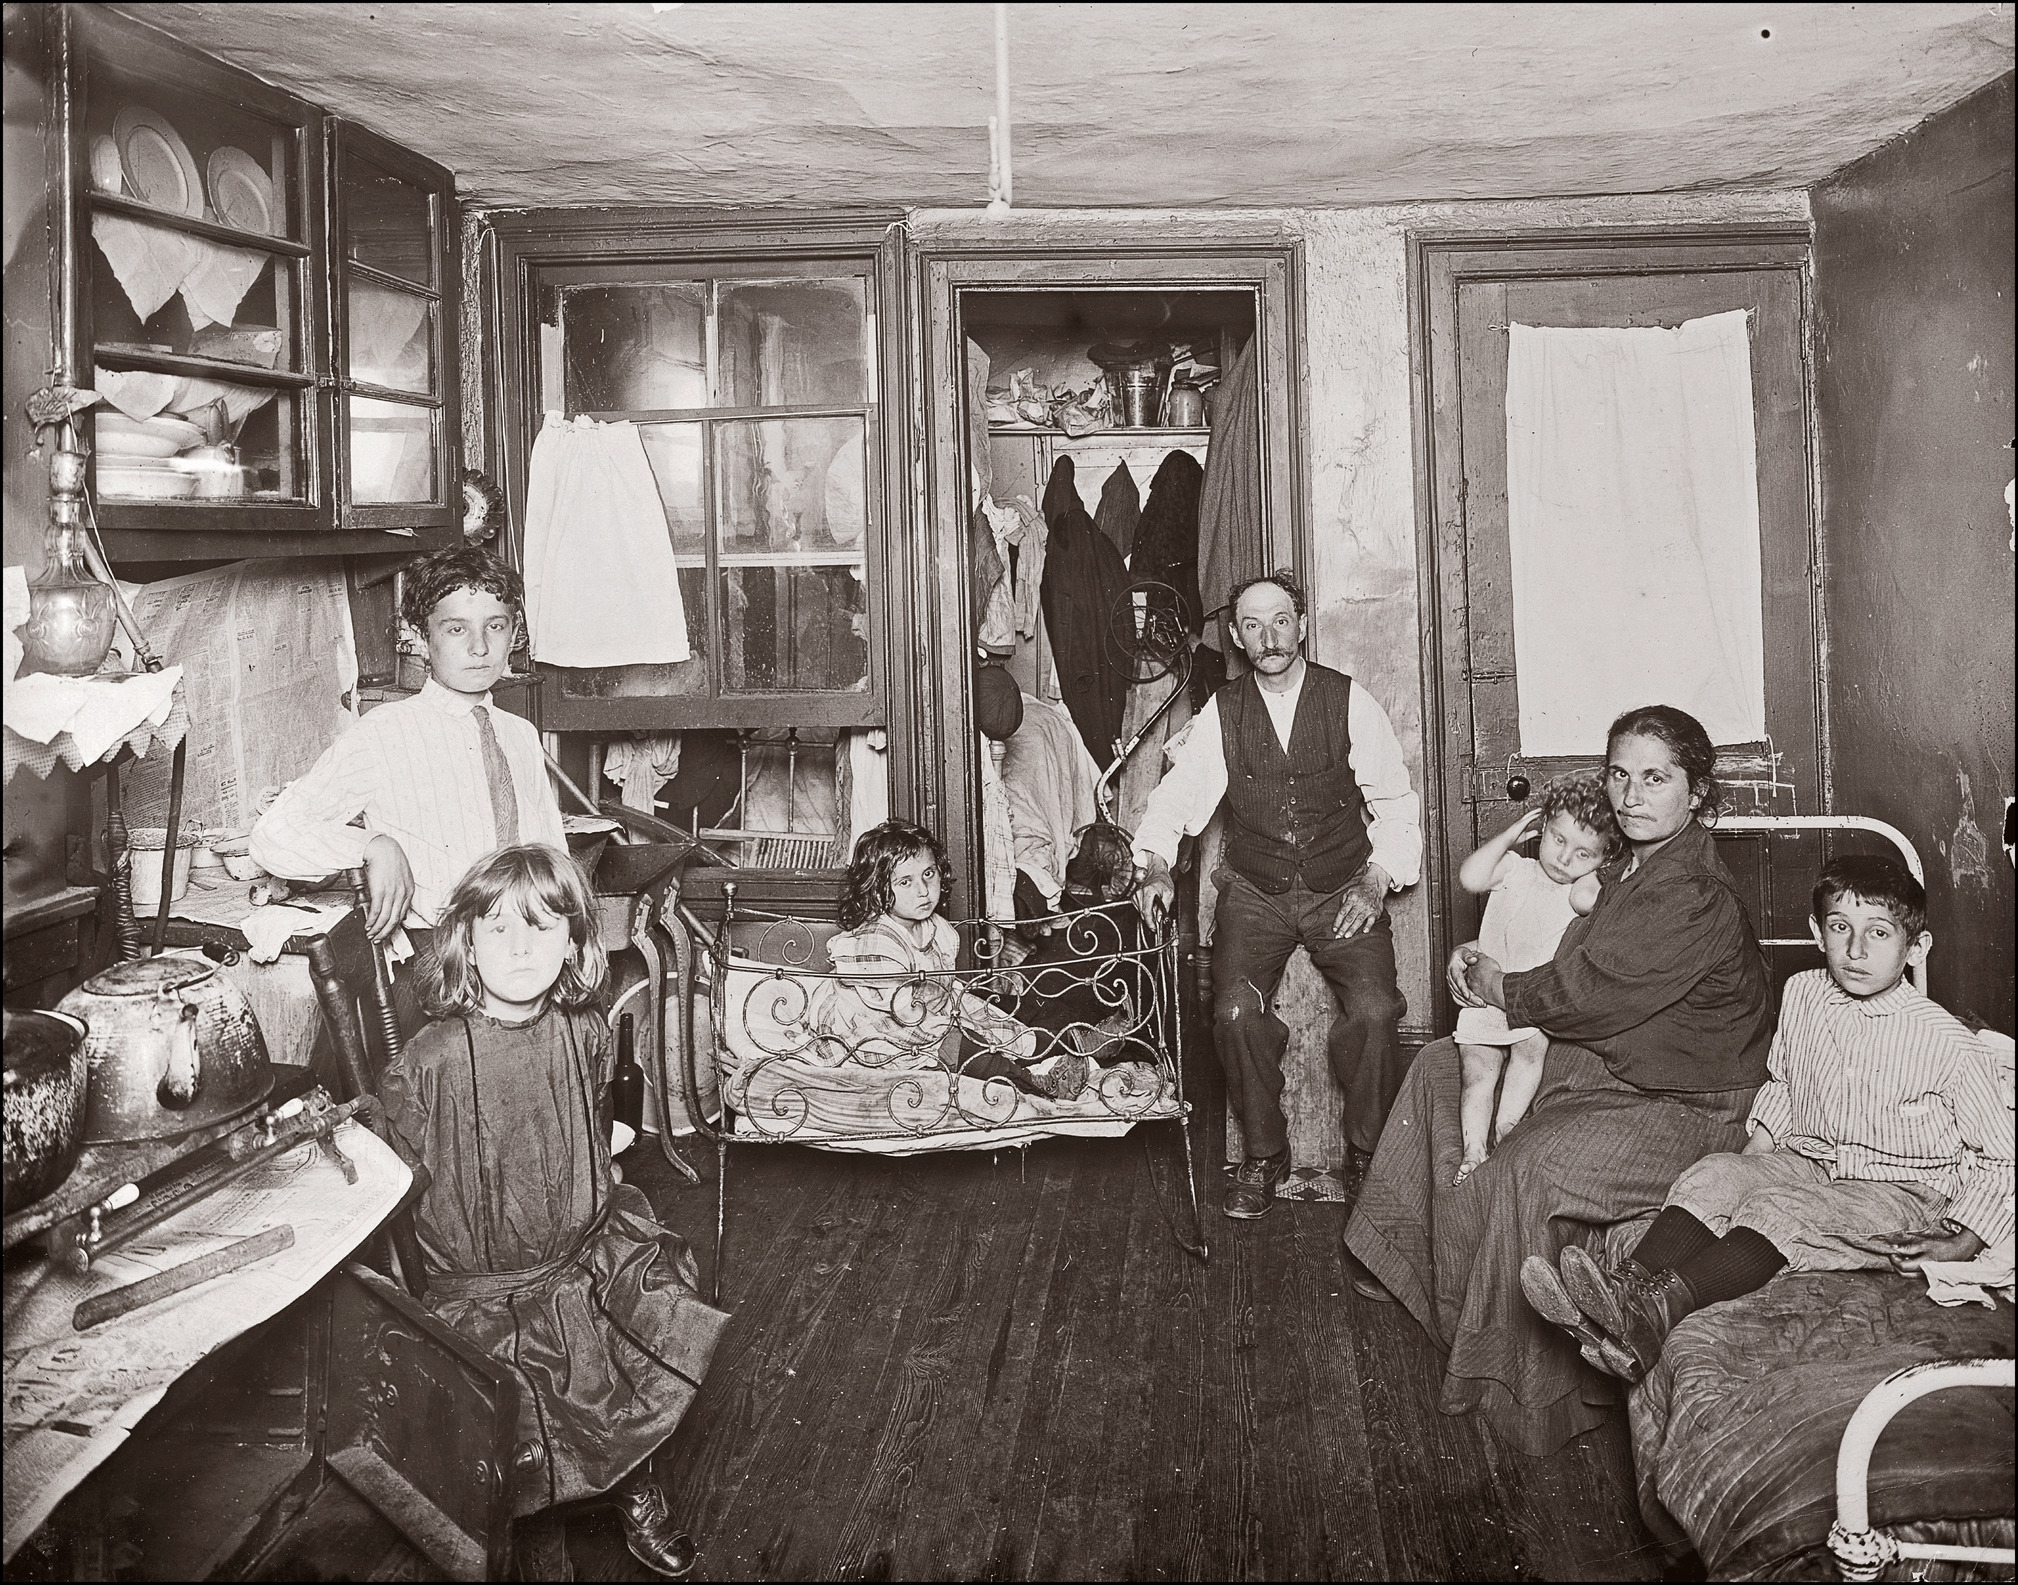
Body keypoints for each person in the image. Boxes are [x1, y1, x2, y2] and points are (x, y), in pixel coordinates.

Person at [1342, 704, 1773, 1456]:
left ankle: (1510, 1392)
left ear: (1697, 793)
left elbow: (1589, 991)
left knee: (1526, 1169)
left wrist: (1499, 986)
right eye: (1619, 774)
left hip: (1683, 1103)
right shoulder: (1624, 864)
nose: (1632, 795)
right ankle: (1415, 1268)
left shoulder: (1693, 893)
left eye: (1656, 778)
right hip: (1608, 1062)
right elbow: (1549, 946)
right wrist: (1477, 964)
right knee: (1442, 1064)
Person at [1522, 854, 2013, 1381]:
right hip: (1813, 1159)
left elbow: (2003, 1158)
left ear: (1916, 946)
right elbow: (1783, 1083)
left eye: (1879, 933)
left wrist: (1963, 1242)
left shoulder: (1948, 1044)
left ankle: (1652, 1315)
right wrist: (1747, 1170)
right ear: (1817, 933)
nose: (1856, 950)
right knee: (1717, 1173)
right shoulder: (1803, 993)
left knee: (1780, 1211)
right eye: (1840, 927)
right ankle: (1621, 1288)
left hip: (1902, 1189)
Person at [377, 844, 727, 1577]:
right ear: (466, 942)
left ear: (573, 941)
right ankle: (523, 1528)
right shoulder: (432, 1056)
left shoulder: (583, 1027)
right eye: (498, 929)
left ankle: (631, 1482)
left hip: (578, 1249)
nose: (520, 946)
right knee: (518, 1418)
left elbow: (582, 1116)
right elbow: (395, 1165)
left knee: (627, 1349)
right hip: (484, 1281)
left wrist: (603, 1145)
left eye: (541, 927)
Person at [1132, 569, 1418, 1218]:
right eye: (1253, 624)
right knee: (1233, 1013)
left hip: (1342, 884)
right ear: (1236, 635)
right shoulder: (1222, 713)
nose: (1270, 636)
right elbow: (1179, 799)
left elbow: (1397, 804)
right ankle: (1265, 1153)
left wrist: (1376, 879)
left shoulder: (1349, 701)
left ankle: (1367, 1153)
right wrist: (1151, 862)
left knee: (1374, 1010)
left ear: (1303, 624)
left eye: (1282, 619)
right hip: (1256, 892)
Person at [251, 547, 565, 947]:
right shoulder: (383, 734)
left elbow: (554, 854)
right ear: (419, 637)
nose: (480, 648)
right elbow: (272, 834)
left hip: (529, 943)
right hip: (441, 951)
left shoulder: (521, 734)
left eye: (495, 627)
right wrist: (372, 845)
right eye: (456, 629)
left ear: (515, 632)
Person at [810, 821, 1092, 1100]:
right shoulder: (877, 942)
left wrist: (985, 1021)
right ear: (878, 889)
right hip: (870, 1032)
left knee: (997, 1018)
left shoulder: (937, 929)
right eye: (905, 882)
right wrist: (965, 1030)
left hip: (921, 1016)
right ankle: (1032, 1082)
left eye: (928, 874)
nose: (923, 890)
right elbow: (906, 1019)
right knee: (961, 1043)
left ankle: (1076, 1043)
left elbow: (945, 990)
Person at [1452, 777, 1617, 1185]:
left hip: (1529, 1004)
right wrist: (1513, 831)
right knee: (1478, 1077)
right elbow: (1471, 878)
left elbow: (1587, 898)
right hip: (1484, 1000)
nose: (1564, 858)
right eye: (1558, 840)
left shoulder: (1579, 892)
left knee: (1529, 1055)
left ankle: (1506, 1131)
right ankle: (1474, 1150)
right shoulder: (1515, 869)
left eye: (1583, 853)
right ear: (1542, 828)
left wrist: (1602, 867)